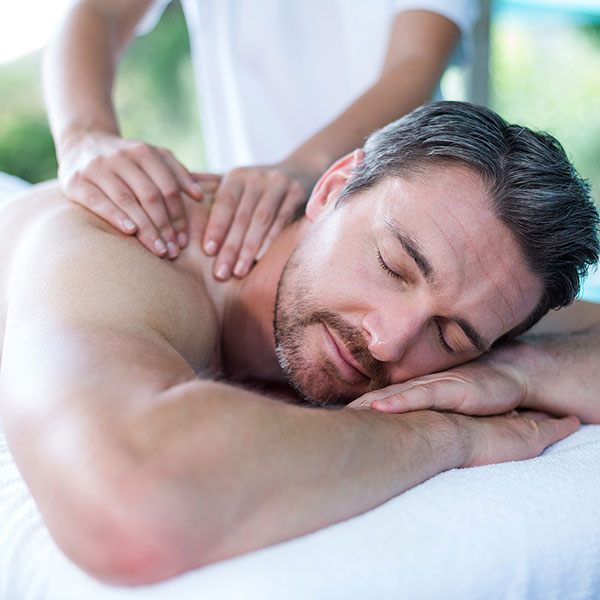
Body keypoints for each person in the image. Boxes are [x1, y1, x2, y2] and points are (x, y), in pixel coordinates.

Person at [1, 102, 599, 586]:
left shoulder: (483, 287)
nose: (389, 342)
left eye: (450, 336)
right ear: (333, 188)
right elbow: (128, 506)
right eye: (393, 266)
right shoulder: (123, 251)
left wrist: (518, 372)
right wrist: (446, 436)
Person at [42, 0, 477, 281]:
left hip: (380, 209)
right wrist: (84, 137)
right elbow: (96, 12)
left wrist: (309, 167)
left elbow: (414, 61)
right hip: (246, 215)